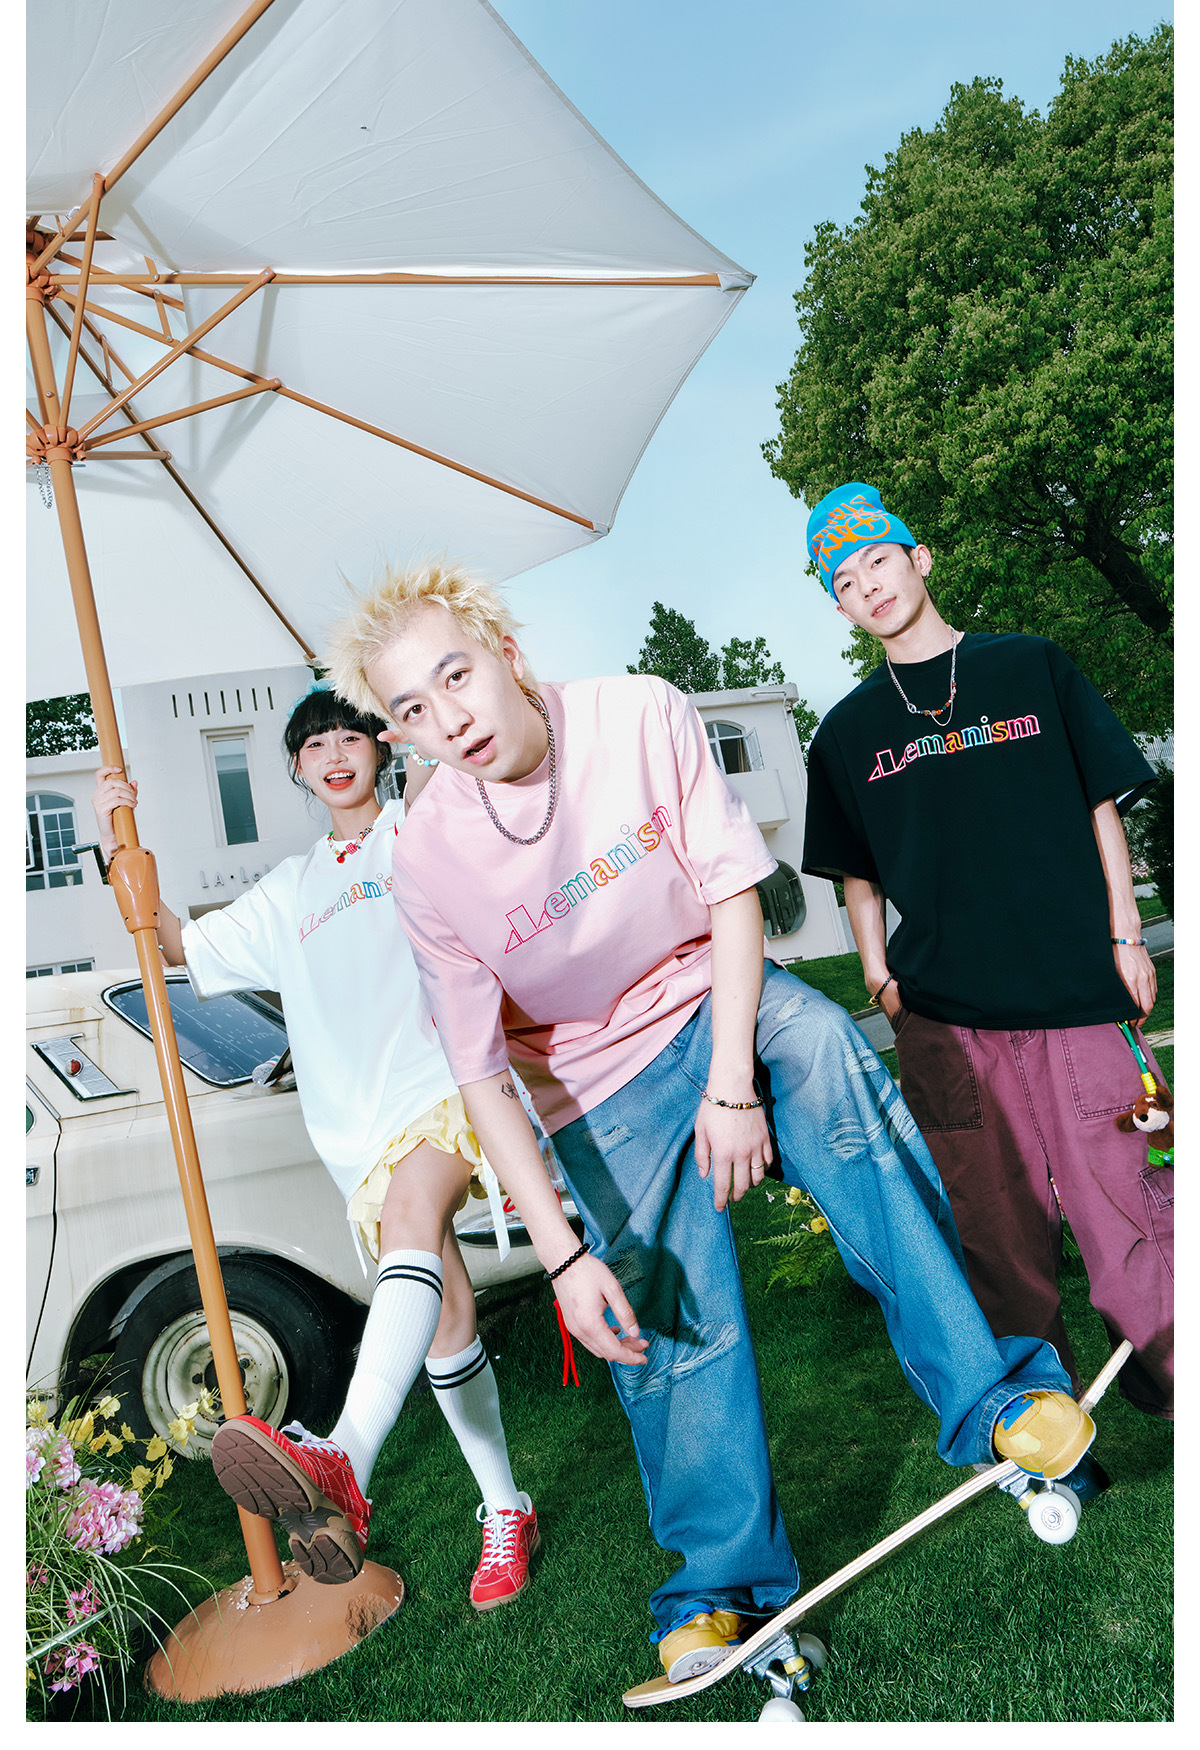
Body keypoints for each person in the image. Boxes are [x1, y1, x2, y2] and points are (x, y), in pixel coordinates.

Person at [323, 559, 1094, 1683]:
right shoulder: (427, 857)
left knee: (824, 1053)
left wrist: (734, 1085)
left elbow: (735, 892)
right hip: (591, 1084)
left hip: (715, 994)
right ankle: (720, 1587)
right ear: (399, 733)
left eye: (457, 675)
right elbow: (479, 1073)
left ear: (508, 655)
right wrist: (564, 1257)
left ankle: (995, 1398)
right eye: (413, 708)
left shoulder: (639, 713)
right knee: (665, 1319)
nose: (449, 716)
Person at [90, 685, 539, 1608]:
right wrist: (116, 849)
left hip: (444, 1085)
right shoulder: (287, 890)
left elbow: (471, 789)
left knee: (415, 1221)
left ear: (380, 747)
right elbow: (178, 948)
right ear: (297, 768)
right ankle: (506, 1508)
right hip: (355, 1134)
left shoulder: (415, 828)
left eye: (350, 736)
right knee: (445, 1319)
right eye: (314, 745)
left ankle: (344, 1460)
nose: (335, 755)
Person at [800, 481, 1173, 1428]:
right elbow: (855, 874)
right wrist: (880, 977)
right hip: (947, 1021)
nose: (868, 584)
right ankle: (1049, 1433)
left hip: (1075, 989)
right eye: (844, 581)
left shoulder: (1029, 666)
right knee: (997, 1234)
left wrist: (1126, 934)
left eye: (878, 560)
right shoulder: (845, 734)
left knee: (1132, 1197)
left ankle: (1177, 1377)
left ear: (918, 559)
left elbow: (1098, 803)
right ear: (839, 607)